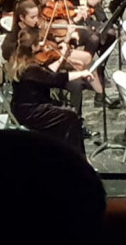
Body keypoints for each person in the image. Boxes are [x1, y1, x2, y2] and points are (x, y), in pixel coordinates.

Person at [9, 29, 100, 157]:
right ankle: (77, 157)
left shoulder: (22, 61)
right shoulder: (31, 68)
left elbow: (46, 74)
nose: (42, 45)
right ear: (34, 46)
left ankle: (66, 152)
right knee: (71, 116)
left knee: (68, 113)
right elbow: (56, 79)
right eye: (39, 42)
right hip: (30, 111)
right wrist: (82, 73)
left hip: (25, 106)